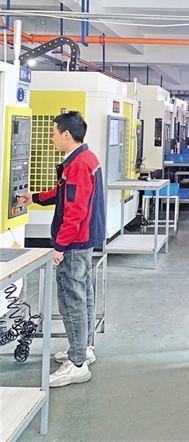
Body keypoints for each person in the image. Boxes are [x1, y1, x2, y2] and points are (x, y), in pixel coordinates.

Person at [18, 111, 105, 388]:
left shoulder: (78, 164)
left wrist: (59, 246)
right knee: (84, 295)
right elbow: (64, 194)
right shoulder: (86, 158)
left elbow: (75, 211)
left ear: (67, 135)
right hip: (86, 239)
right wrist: (35, 198)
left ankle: (77, 364)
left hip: (75, 242)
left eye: (54, 133)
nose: (52, 138)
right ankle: (84, 349)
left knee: (71, 300)